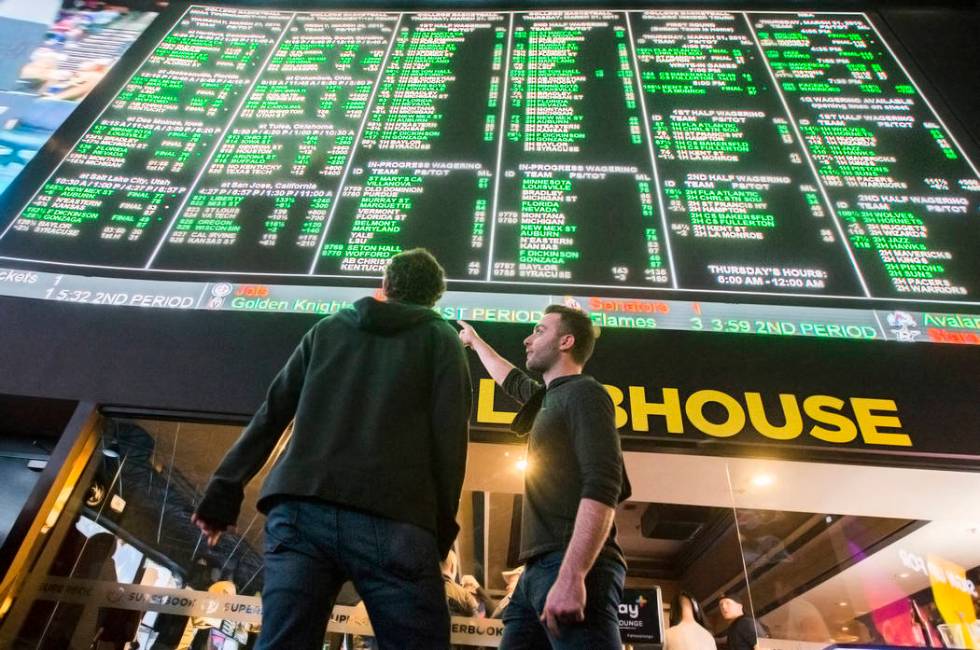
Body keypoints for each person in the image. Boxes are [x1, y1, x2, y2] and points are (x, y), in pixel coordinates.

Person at [191, 248, 472, 650]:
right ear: (433, 300)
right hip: (395, 521)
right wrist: (440, 532)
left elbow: (272, 413)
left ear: (385, 285)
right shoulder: (442, 341)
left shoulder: (328, 329)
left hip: (301, 510)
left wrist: (224, 490)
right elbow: (450, 446)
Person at [459, 305, 631, 649]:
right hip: (534, 573)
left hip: (569, 563)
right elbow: (511, 380)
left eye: (539, 331)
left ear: (566, 342)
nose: (527, 339)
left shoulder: (585, 392)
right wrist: (476, 343)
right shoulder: (549, 399)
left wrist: (573, 575)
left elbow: (605, 482)